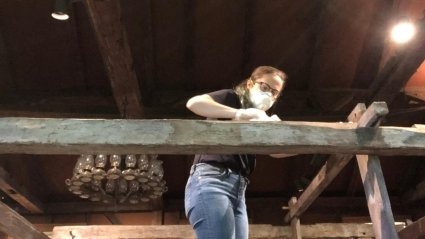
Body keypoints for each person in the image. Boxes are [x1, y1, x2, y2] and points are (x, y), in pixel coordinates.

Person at [184, 66, 290, 239]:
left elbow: (275, 152)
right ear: (250, 83)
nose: (268, 94)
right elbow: (194, 103)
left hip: (239, 189)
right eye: (264, 87)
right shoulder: (232, 98)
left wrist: (309, 144)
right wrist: (239, 114)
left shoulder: (259, 121)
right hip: (212, 179)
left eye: (274, 92)